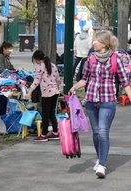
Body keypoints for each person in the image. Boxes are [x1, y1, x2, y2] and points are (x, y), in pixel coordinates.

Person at [69, 30, 131, 178]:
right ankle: (100, 158)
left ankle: (102, 164)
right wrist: (74, 88)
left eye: (95, 41)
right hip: (91, 101)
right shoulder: (90, 58)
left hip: (107, 101)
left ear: (104, 43)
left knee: (103, 132)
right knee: (96, 133)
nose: (93, 43)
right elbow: (85, 79)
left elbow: (125, 83)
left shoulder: (116, 59)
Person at [24, 50, 61, 142]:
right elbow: (58, 79)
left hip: (47, 93)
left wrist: (29, 93)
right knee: (52, 113)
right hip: (55, 92)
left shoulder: (40, 67)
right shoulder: (53, 65)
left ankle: (44, 134)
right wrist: (57, 89)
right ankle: (55, 132)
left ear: (37, 59)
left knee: (45, 114)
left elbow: (36, 81)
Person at [0, 41, 16, 116]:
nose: (11, 52)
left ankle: (4, 115)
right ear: (4, 49)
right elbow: (2, 69)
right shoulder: (0, 57)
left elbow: (11, 67)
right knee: (2, 99)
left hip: (6, 80)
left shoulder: (7, 58)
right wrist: (10, 73)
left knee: (5, 98)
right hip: (0, 80)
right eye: (9, 50)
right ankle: (2, 116)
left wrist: (16, 71)